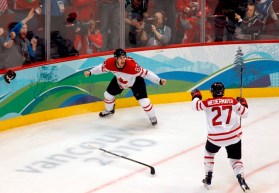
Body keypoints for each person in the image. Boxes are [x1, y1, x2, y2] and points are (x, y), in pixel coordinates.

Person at [191, 82, 250, 192]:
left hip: (215, 139)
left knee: (209, 153)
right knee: (235, 159)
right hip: (234, 136)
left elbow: (195, 106)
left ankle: (208, 177)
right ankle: (240, 177)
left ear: (212, 91)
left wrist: (196, 96)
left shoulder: (207, 102)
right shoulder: (232, 101)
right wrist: (243, 104)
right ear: (223, 91)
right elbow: (245, 114)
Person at [84, 48, 167, 126]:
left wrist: (158, 80)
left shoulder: (132, 66)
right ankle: (109, 110)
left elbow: (147, 73)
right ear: (115, 58)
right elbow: (100, 68)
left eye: (124, 57)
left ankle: (152, 117)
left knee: (144, 102)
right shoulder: (109, 63)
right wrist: (90, 72)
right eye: (120, 58)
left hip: (136, 82)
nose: (123, 60)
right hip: (120, 81)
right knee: (107, 95)